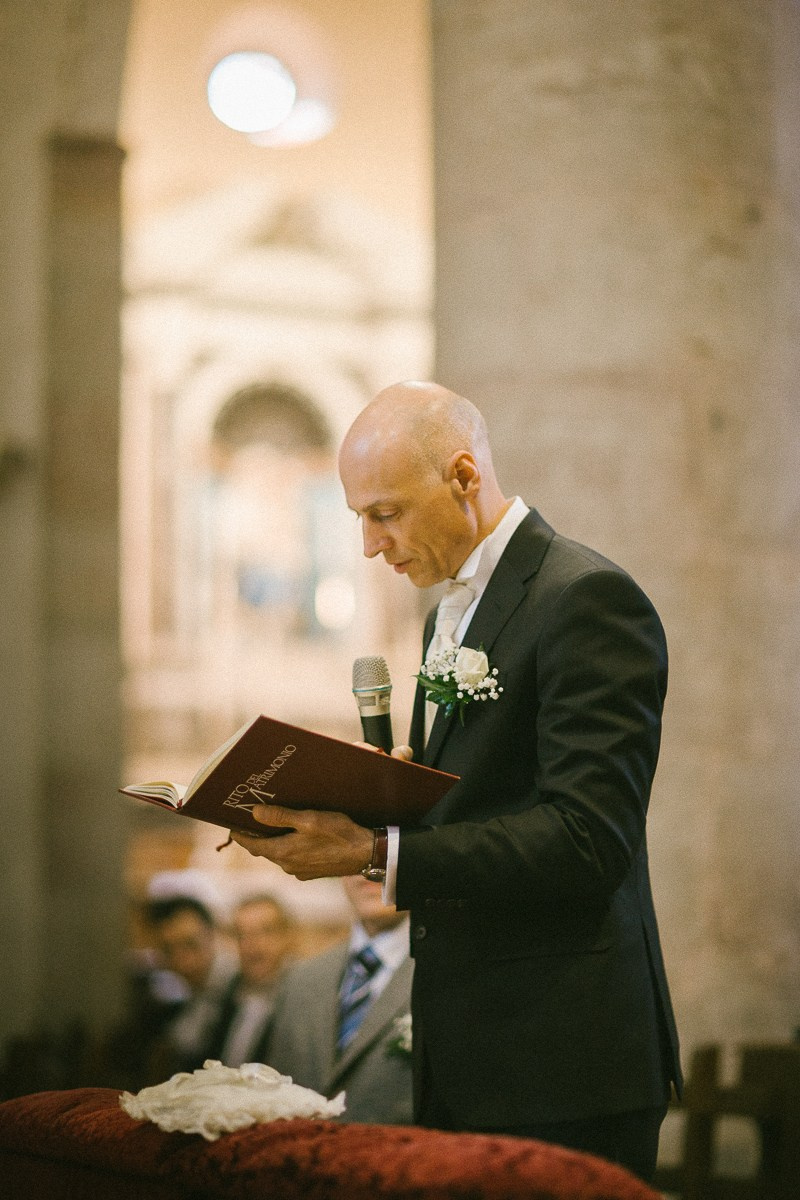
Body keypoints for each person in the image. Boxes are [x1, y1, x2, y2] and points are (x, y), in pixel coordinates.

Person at [232, 380, 682, 1181]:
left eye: (385, 513)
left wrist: (375, 853)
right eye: (360, 519)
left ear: (464, 478)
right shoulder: (452, 612)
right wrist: (356, 798)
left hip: (559, 1058)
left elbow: (587, 840)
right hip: (467, 1052)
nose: (371, 545)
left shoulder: (586, 600)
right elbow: (477, 796)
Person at [267, 874, 413, 1125]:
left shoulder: (450, 976)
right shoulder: (300, 980)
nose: (372, 869)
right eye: (359, 847)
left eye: (386, 849)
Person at [144, 895, 237, 1078]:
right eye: (169, 950)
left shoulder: (240, 989)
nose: (183, 963)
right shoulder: (196, 991)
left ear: (213, 935)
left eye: (191, 945)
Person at [202, 894, 296, 1067]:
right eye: (242, 935)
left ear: (288, 937)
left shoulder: (303, 1000)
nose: (253, 944)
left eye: (265, 931)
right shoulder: (226, 994)